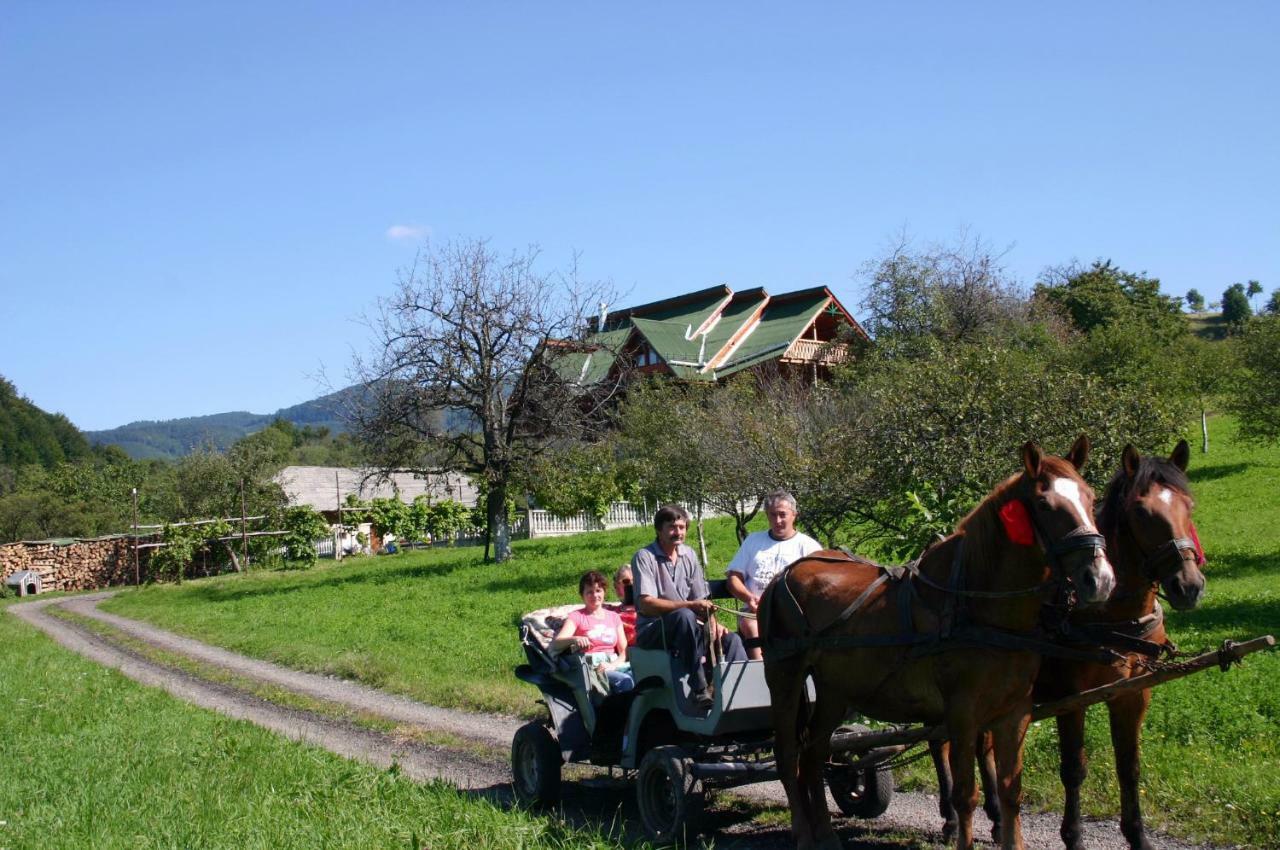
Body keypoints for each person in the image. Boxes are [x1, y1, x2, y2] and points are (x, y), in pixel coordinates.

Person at [632, 504, 746, 713]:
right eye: (672, 527)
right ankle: (699, 688)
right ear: (659, 530)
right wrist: (689, 605)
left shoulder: (689, 555)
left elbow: (701, 599)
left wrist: (714, 626)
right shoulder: (644, 557)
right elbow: (646, 604)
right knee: (684, 615)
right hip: (653, 630)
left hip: (688, 628)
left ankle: (740, 696)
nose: (678, 532)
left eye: (682, 527)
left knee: (732, 640)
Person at [726, 489, 822, 660]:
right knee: (752, 625)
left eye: (782, 515)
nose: (777, 521)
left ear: (794, 515)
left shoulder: (808, 547)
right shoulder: (753, 541)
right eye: (772, 515)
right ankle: (759, 670)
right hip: (754, 611)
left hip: (795, 614)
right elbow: (734, 577)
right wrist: (749, 598)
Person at [551, 570, 634, 694]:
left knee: (647, 677)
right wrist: (575, 639)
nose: (594, 595)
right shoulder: (577, 616)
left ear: (604, 592)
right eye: (589, 592)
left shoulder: (614, 617)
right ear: (582, 595)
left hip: (614, 665)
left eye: (598, 590)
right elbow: (556, 643)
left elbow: (623, 651)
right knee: (625, 681)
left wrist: (613, 665)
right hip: (593, 668)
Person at [605, 564, 637, 647]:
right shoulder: (611, 612)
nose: (631, 585)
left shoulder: (649, 609)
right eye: (626, 582)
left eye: (635, 581)